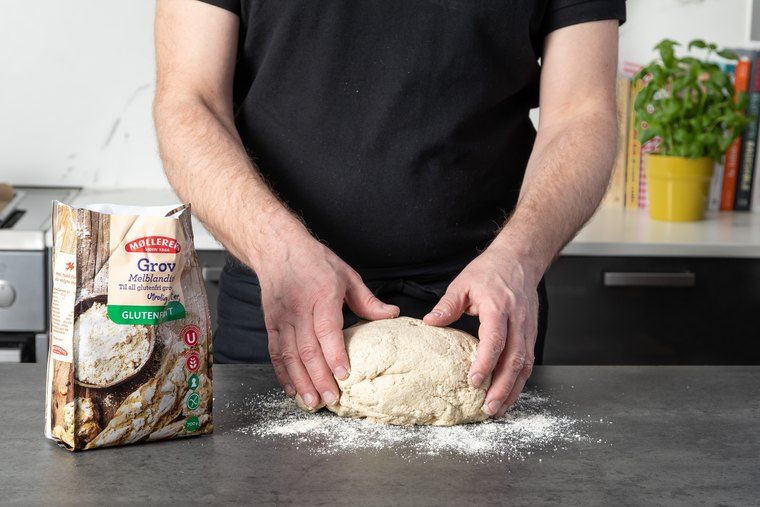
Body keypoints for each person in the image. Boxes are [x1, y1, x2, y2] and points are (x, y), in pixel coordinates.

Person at [153, 0, 625, 418]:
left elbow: (582, 113)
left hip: (486, 298)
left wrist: (518, 259)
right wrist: (279, 251)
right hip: (284, 288)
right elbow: (189, 100)